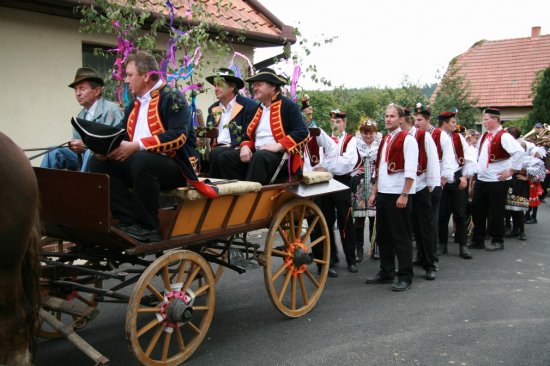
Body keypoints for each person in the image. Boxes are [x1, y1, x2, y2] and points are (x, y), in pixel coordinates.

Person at [89, 51, 217, 242]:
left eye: (130, 75)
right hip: (142, 166)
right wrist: (104, 149)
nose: (126, 79)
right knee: (98, 164)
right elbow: (122, 134)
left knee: (142, 159)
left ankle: (148, 227)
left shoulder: (173, 98)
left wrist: (137, 146)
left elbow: (178, 137)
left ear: (146, 75)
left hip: (178, 167)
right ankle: (126, 219)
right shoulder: (134, 105)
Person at [216, 68, 309, 184]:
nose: (255, 88)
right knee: (225, 157)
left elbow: (303, 132)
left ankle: (249, 196)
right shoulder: (255, 110)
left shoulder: (289, 106)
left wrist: (279, 145)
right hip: (258, 154)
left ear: (273, 87)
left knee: (259, 157)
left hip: (281, 158)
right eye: (254, 85)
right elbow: (247, 136)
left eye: (259, 85)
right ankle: (236, 192)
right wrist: (245, 147)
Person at [365, 103, 418, 291]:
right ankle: (386, 271)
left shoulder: (408, 139)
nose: (388, 119)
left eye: (392, 116)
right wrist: (374, 192)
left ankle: (405, 275)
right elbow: (380, 168)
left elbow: (411, 169)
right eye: (386, 116)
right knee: (383, 235)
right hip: (384, 193)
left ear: (401, 119)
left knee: (401, 236)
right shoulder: (386, 139)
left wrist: (404, 194)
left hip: (399, 194)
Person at [41, 67, 123, 171]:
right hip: (83, 158)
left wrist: (86, 146)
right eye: (76, 89)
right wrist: (74, 147)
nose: (77, 93)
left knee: (90, 152)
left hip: (106, 161)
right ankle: (39, 186)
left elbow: (111, 144)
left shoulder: (111, 110)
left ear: (97, 91)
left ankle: (83, 185)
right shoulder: (80, 117)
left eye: (82, 89)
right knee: (52, 151)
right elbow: (78, 148)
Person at [469, 108, 524, 251]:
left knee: (496, 211)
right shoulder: (484, 136)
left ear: (495, 120)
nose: (484, 122)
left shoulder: (504, 136)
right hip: (482, 179)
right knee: (477, 209)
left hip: (498, 181)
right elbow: (478, 155)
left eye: (486, 119)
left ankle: (497, 240)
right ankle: (478, 239)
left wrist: (511, 170)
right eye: (484, 119)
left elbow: (519, 152)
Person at [314, 110, 361, 274]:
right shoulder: (324, 140)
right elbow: (317, 161)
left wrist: (326, 166)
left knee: (345, 220)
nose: (335, 125)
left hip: (342, 182)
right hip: (325, 183)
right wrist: (327, 165)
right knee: (325, 221)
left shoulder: (350, 140)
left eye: (339, 122)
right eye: (333, 122)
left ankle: (351, 259)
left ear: (345, 123)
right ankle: (330, 257)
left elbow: (346, 163)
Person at [413, 103, 454, 269]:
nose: (416, 123)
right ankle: (421, 255)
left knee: (430, 222)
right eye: (415, 119)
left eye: (420, 120)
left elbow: (448, 159)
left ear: (428, 119)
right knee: (417, 221)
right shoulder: (415, 134)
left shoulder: (439, 135)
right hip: (418, 184)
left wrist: (443, 179)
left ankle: (432, 258)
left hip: (434, 183)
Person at [401, 110, 441, 280]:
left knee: (424, 227)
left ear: (405, 120)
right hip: (404, 188)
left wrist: (432, 184)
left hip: (420, 186)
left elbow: (432, 159)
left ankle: (430, 264)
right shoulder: (399, 136)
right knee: (409, 228)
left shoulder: (423, 136)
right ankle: (418, 258)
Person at [205, 68, 257, 178]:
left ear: (232, 87)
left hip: (239, 147)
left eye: (220, 85)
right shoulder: (213, 108)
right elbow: (209, 131)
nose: (216, 89)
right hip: (218, 148)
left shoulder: (249, 106)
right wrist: (199, 137)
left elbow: (250, 132)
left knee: (219, 155)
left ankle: (223, 191)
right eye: (215, 85)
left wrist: (241, 145)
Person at [436, 111, 474, 259]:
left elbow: (469, 157)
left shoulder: (458, 137)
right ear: (444, 123)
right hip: (441, 181)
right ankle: (442, 244)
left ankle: (462, 246)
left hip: (457, 179)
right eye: (452, 122)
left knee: (460, 214)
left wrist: (465, 176)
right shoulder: (435, 136)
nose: (455, 125)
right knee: (442, 215)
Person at [303, 125, 339, 277]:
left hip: (312, 184)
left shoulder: (314, 132)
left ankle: (323, 264)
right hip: (292, 183)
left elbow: (332, 147)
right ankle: (291, 260)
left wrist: (324, 167)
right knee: (292, 227)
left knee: (317, 225)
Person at [351, 120, 380, 262]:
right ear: (361, 133)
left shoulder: (379, 145)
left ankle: (374, 248)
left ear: (375, 133)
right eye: (365, 133)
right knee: (360, 219)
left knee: (375, 219)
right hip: (360, 186)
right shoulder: (355, 145)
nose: (368, 136)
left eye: (371, 133)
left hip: (375, 185)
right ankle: (359, 249)